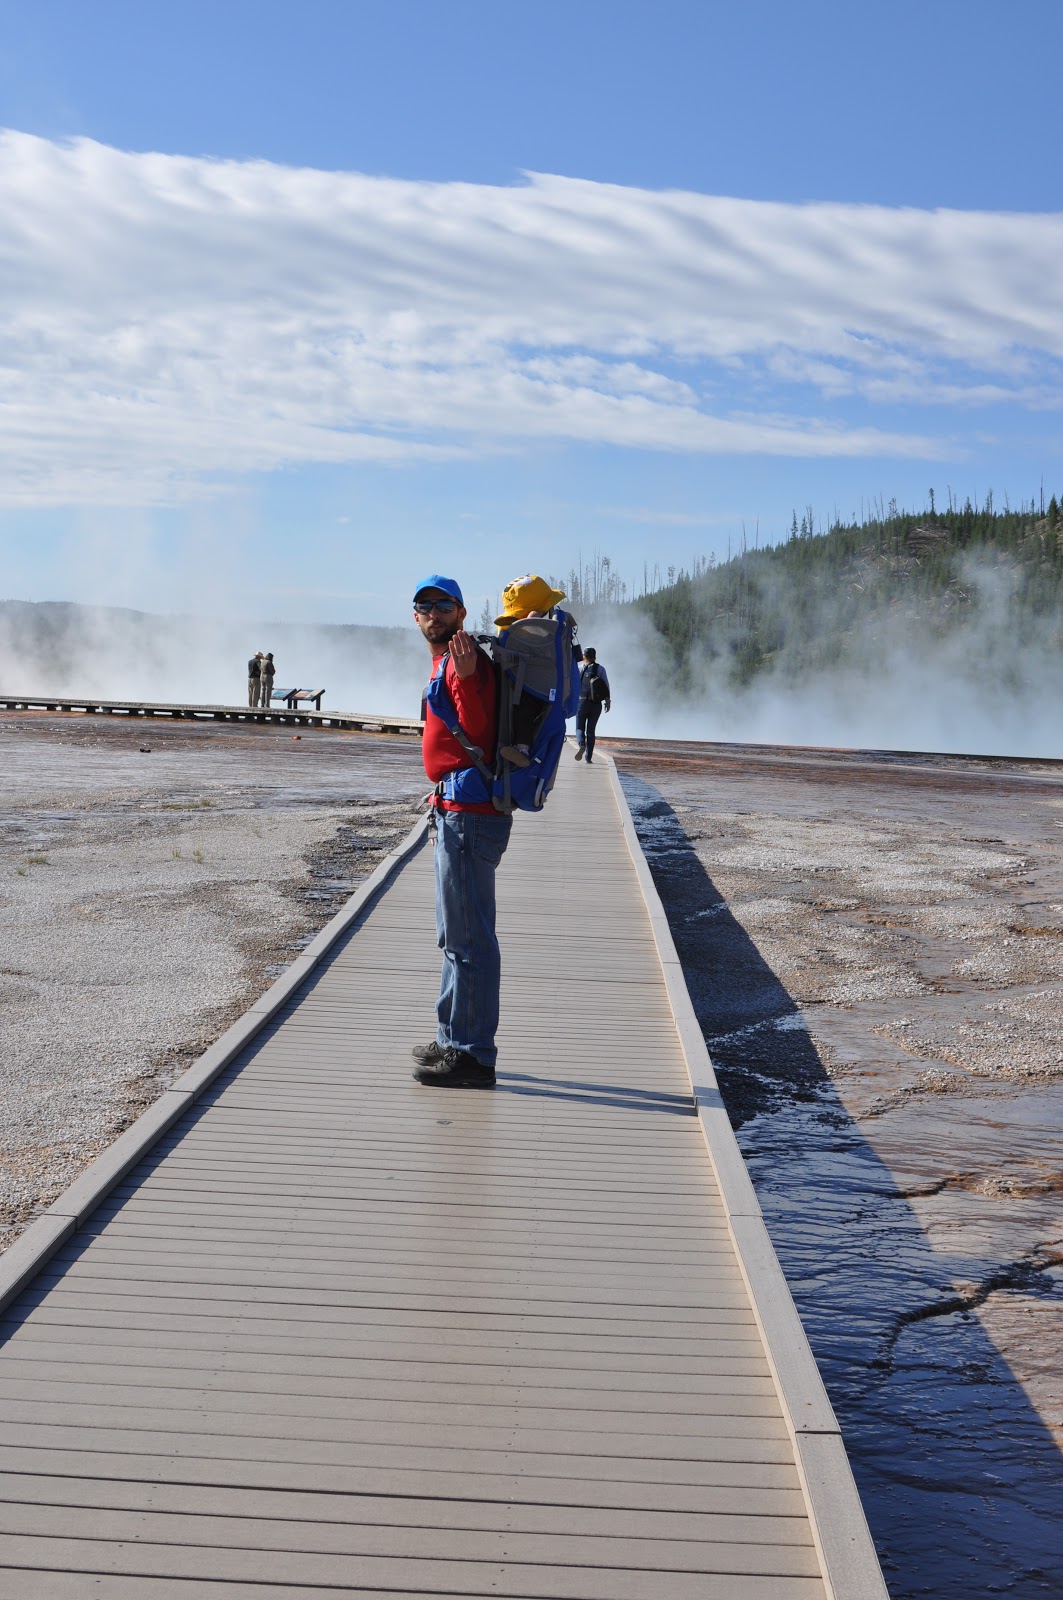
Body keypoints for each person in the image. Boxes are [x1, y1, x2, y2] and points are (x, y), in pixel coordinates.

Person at [412, 574, 512, 1089]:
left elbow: (478, 730)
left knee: (469, 937)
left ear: (461, 612)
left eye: (443, 605)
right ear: (416, 617)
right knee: (454, 934)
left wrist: (469, 677)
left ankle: (473, 1055)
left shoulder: (465, 663)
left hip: (469, 816)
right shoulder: (447, 661)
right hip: (455, 811)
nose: (434, 613)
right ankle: (452, 1036)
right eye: (425, 606)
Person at [492, 573, 566, 767]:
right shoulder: (538, 632)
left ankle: (522, 749)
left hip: (523, 687)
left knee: (523, 711)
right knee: (525, 711)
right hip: (537, 687)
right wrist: (534, 622)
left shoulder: (510, 632)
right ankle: (523, 749)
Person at [574, 647, 610, 763]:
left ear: (584, 656)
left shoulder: (579, 668)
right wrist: (608, 701)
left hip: (582, 702)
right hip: (596, 704)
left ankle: (581, 745)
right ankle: (588, 757)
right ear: (595, 656)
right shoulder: (600, 669)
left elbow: (572, 685)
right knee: (591, 731)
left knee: (579, 728)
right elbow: (606, 686)